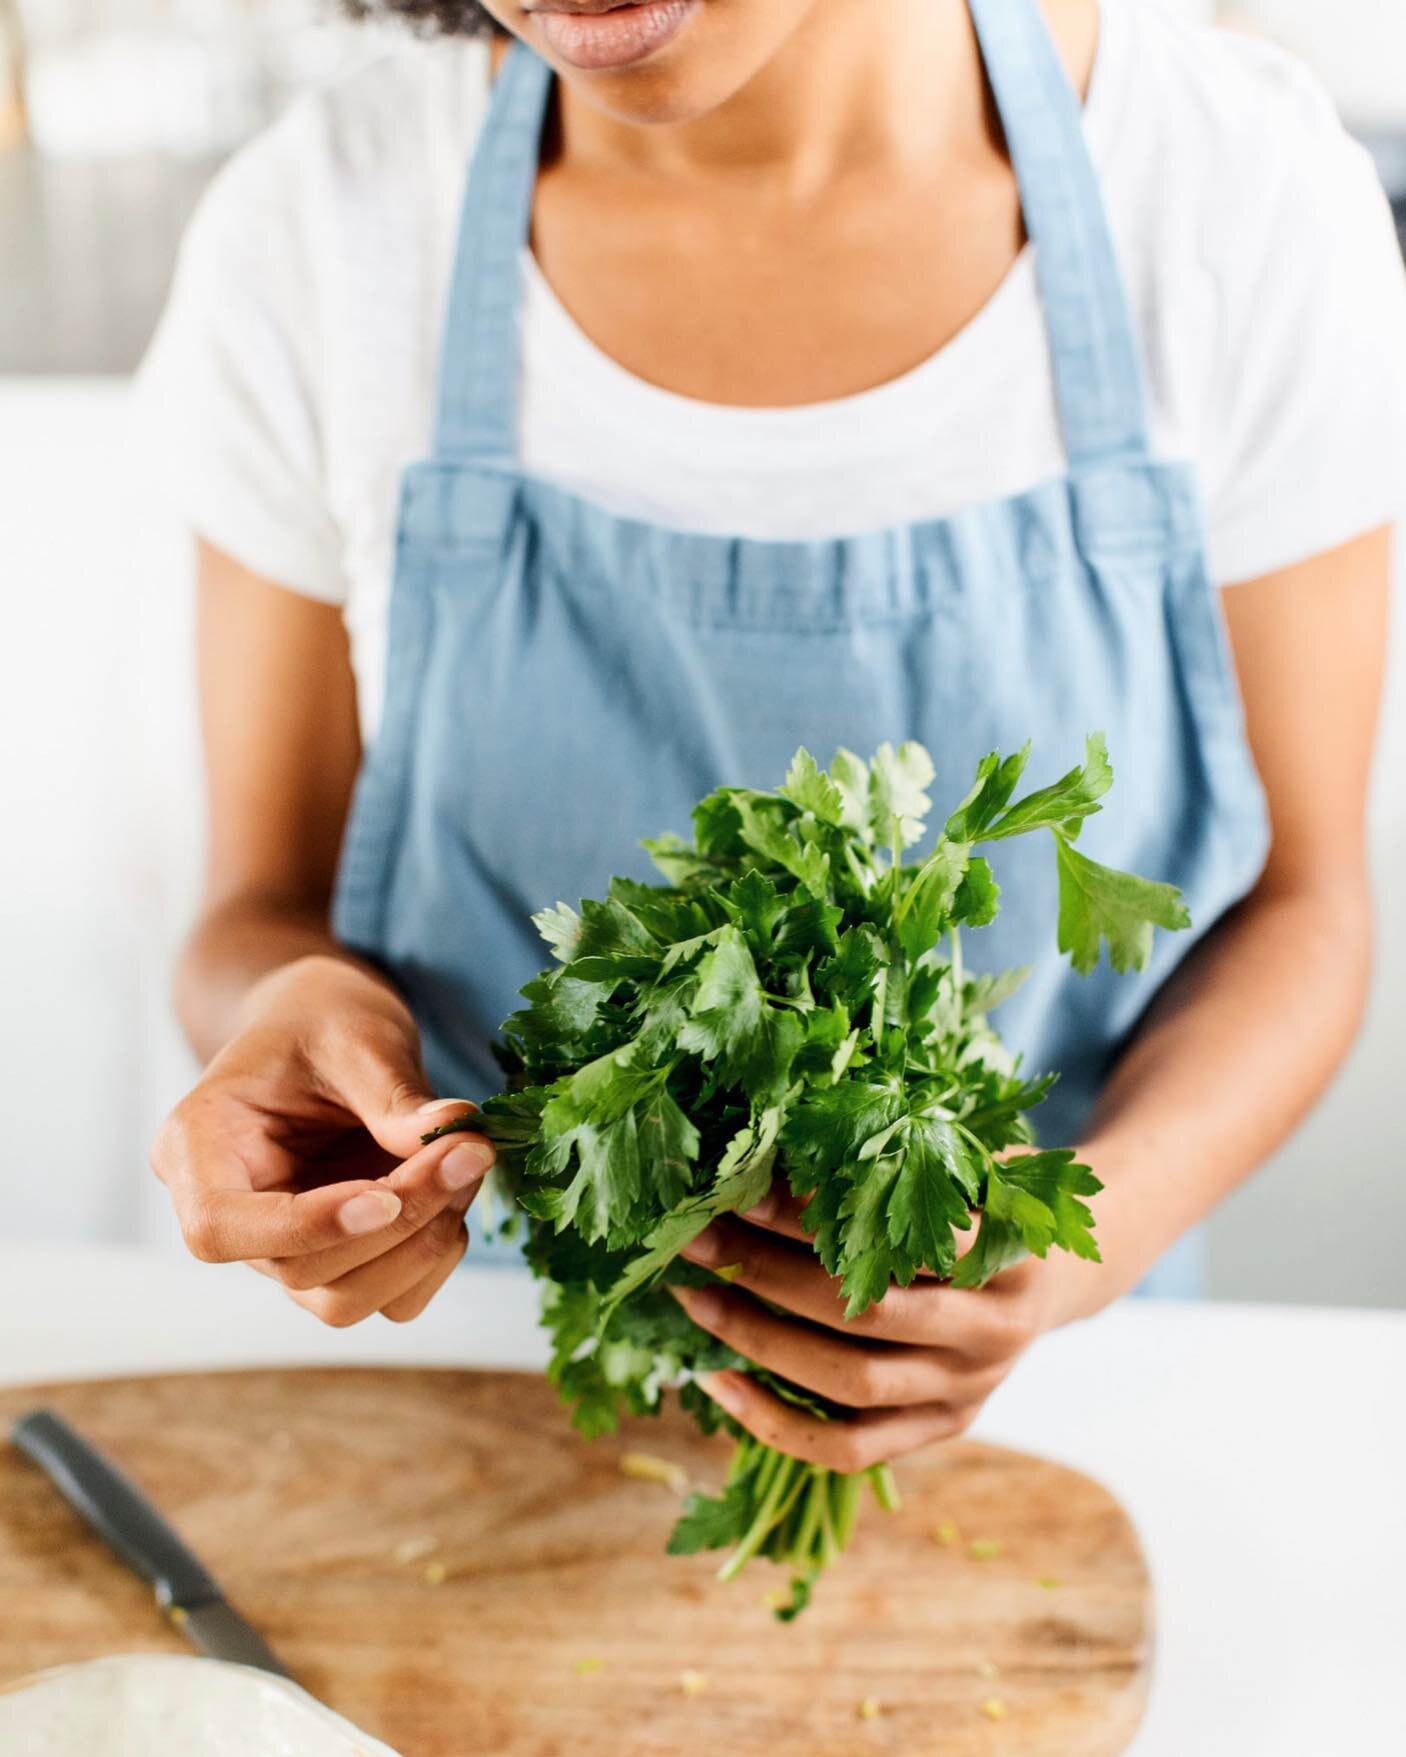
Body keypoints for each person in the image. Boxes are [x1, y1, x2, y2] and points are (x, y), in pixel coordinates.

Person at [141, 0, 1406, 1472]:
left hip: (1056, 1388)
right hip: (499, 1377)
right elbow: (257, 909)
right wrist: (277, 1017)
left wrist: (1081, 1232)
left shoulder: (1230, 191)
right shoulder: (318, 227)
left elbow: (1302, 905)